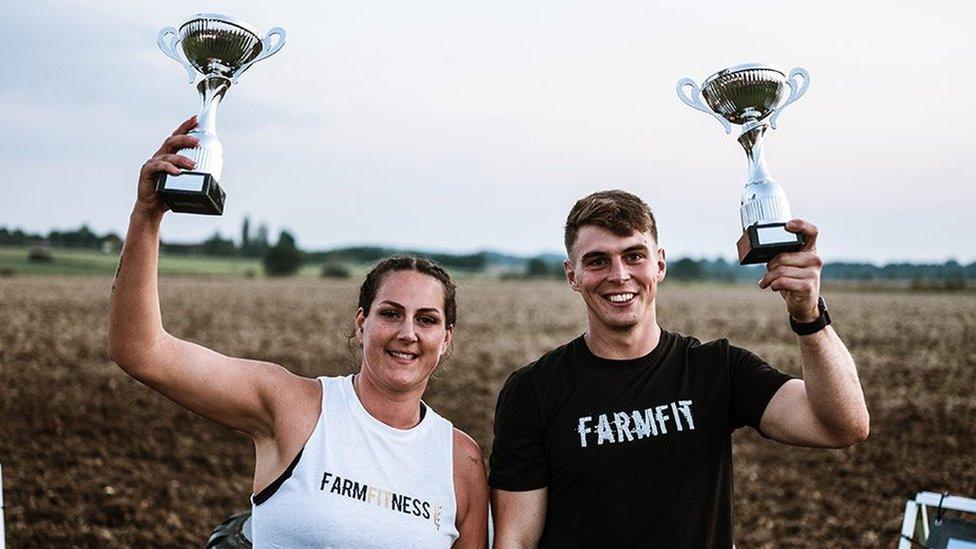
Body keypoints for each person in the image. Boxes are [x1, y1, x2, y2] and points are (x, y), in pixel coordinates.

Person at [108, 117, 489, 548]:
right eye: (390, 313)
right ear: (361, 323)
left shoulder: (460, 460)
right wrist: (147, 216)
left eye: (426, 319)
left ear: (447, 337)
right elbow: (141, 350)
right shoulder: (293, 407)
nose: (407, 332)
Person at [489, 190, 869, 548]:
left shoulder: (717, 369)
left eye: (634, 255)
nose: (619, 274)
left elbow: (841, 425)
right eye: (597, 260)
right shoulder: (534, 391)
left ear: (660, 265)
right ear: (573, 275)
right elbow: (516, 540)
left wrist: (808, 315)